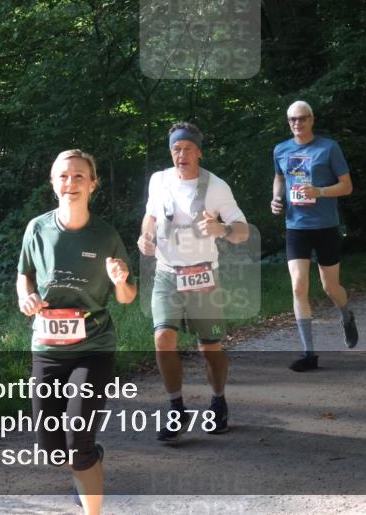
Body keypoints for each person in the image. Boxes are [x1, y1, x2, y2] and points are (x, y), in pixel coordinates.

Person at [17, 149, 137, 514]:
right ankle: (91, 459)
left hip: (93, 347)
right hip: (48, 348)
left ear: (93, 184)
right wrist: (27, 297)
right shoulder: (37, 228)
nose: (71, 183)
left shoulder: (105, 235)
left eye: (79, 176)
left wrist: (121, 280)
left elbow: (128, 297)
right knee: (52, 450)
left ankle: (91, 498)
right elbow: (24, 275)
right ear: (53, 183)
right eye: (64, 176)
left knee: (77, 443)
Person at [137, 122, 249, 443]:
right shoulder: (158, 181)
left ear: (199, 151)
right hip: (167, 274)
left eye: (187, 148)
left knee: (209, 346)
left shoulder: (216, 187)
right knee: (163, 339)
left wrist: (222, 229)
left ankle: (218, 400)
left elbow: (242, 230)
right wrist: (145, 235)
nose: (180, 154)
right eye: (175, 148)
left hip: (203, 277)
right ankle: (176, 408)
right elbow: (151, 216)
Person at [271, 100, 357, 372]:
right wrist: (275, 198)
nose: (297, 123)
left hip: (325, 225)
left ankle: (346, 314)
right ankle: (309, 353)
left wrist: (319, 191)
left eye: (302, 118)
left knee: (330, 288)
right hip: (296, 226)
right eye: (292, 120)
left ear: (312, 119)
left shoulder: (329, 148)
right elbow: (280, 178)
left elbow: (347, 186)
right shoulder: (281, 150)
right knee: (298, 286)